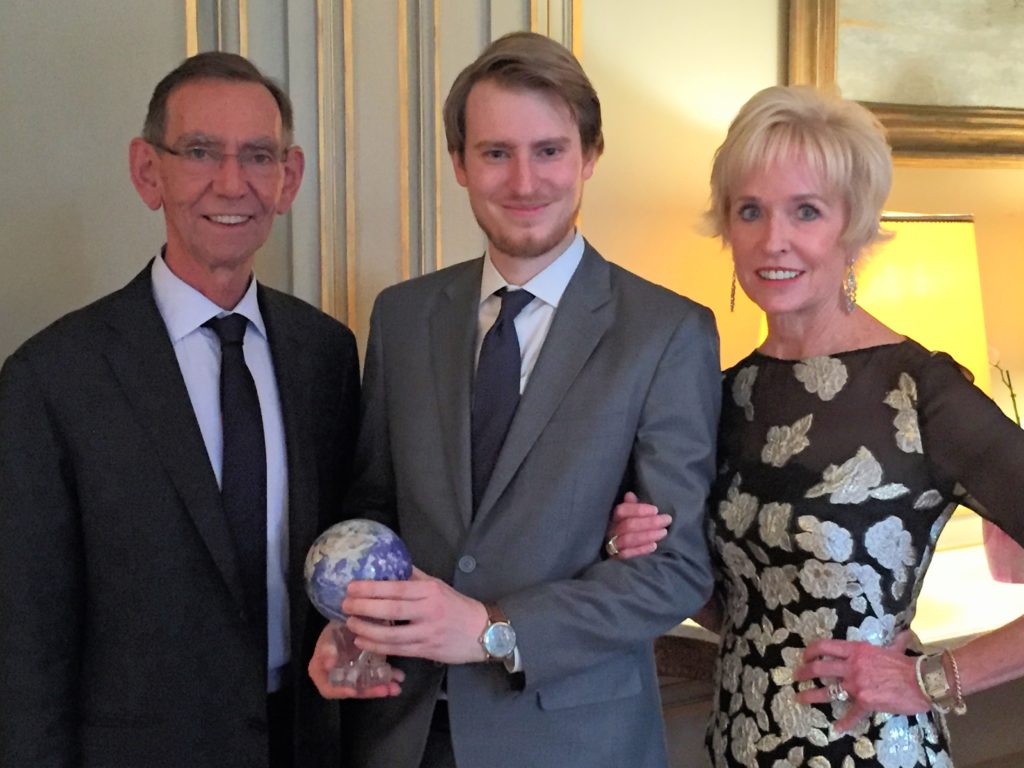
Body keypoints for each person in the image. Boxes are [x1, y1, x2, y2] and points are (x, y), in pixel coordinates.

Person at [307, 31, 721, 768]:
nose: (524, 181)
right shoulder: (402, 317)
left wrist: (494, 628)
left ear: (590, 156)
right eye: (496, 153)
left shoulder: (666, 332)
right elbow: (372, 506)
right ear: (460, 164)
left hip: (571, 739)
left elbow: (675, 570)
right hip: (400, 732)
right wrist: (350, 618)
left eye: (550, 151)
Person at [607, 84, 1024, 767]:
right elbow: (736, 611)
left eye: (806, 211)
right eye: (751, 211)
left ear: (853, 227)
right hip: (739, 746)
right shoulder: (717, 395)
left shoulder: (920, 391)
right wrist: (646, 552)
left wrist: (935, 677)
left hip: (868, 752)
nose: (774, 240)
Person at [0, 52, 359, 768]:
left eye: (258, 156)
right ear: (147, 171)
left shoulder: (327, 354)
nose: (232, 183)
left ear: (287, 179)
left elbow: (363, 532)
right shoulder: (51, 379)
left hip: (307, 744)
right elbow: (26, 643)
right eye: (200, 152)